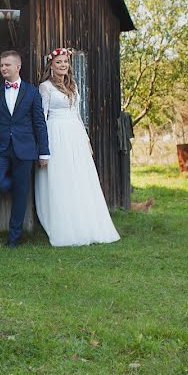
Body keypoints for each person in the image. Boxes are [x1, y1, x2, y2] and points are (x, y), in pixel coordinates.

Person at [34, 48, 120, 246]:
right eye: (59, 62)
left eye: (65, 62)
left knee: (80, 177)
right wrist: (43, 148)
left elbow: (77, 114)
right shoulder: (45, 87)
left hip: (75, 134)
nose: (63, 65)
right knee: (62, 177)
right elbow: (42, 117)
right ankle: (63, 224)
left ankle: (85, 221)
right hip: (56, 133)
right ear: (51, 66)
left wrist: (86, 140)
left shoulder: (72, 86)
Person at [0, 50, 50, 247]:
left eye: (7, 65)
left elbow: (39, 124)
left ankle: (14, 239)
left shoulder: (31, 92)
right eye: (1, 65)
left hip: (25, 150)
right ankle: (13, 186)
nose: (3, 68)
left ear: (18, 67)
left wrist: (44, 152)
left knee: (21, 195)